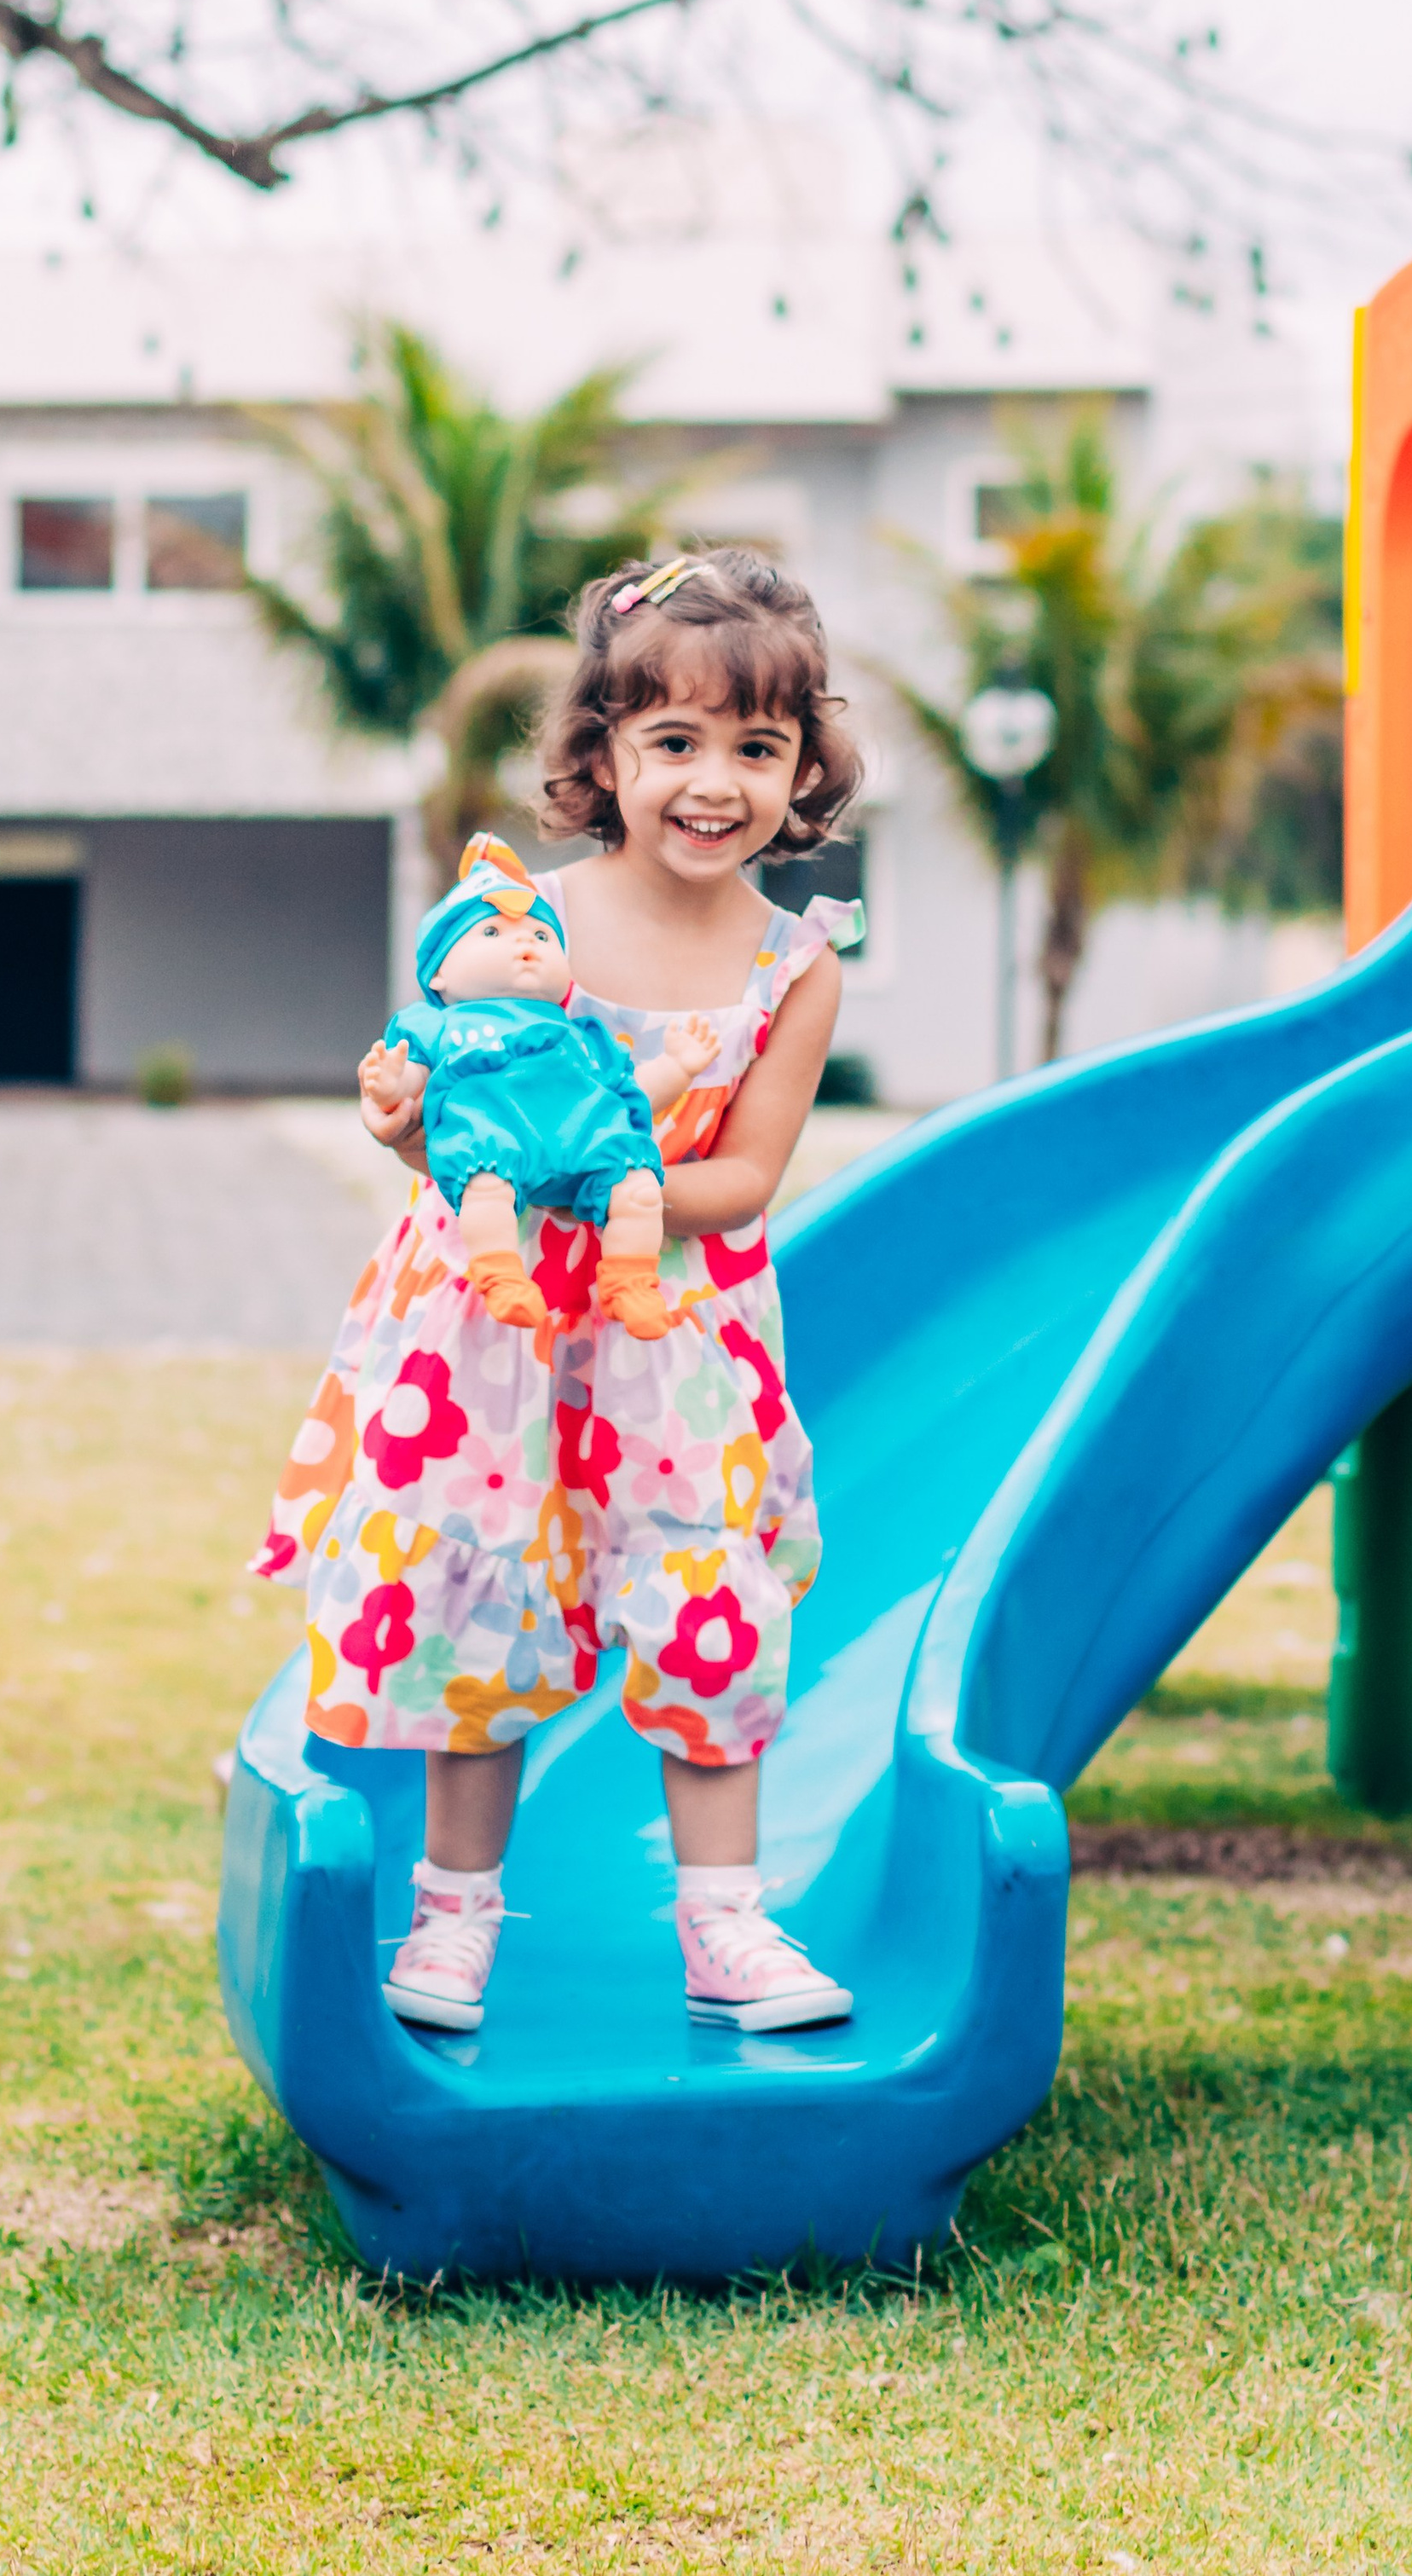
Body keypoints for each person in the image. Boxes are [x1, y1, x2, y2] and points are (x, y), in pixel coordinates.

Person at [252, 547, 865, 2039]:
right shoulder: (529, 932)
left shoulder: (796, 964)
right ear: (602, 753)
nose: (713, 782)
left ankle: (725, 1926)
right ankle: (455, 1921)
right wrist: (409, 1124)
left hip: (677, 1328)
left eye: (756, 748)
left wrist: (610, 1165)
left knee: (704, 1598)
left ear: (802, 772)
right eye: (675, 743)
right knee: (482, 1591)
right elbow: (447, 1135)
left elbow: (747, 1182)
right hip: (496, 1329)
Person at [358, 836, 720, 1341]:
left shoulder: (579, 1035)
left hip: (585, 1140)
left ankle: (631, 1280)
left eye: (542, 937)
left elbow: (627, 1094)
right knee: (486, 1189)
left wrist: (678, 1068)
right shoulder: (441, 1025)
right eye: (491, 931)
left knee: (639, 1187)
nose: (525, 944)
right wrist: (391, 1085)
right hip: (494, 1136)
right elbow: (416, 1084)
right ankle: (500, 1273)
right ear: (438, 972)